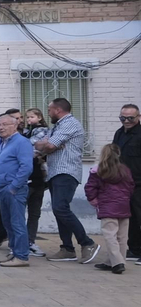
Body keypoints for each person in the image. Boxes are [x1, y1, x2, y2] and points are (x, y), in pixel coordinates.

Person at [35, 98, 96, 262]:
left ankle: (87, 243)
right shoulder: (58, 126)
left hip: (66, 172)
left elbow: (49, 146)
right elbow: (40, 145)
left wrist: (48, 145)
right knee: (58, 209)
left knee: (60, 208)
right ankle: (67, 248)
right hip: (55, 172)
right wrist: (46, 145)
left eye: (49, 110)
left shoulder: (70, 123)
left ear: (58, 110)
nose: (47, 113)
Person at [0, 112, 34, 268]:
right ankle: (15, 252)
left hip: (13, 190)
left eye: (4, 125)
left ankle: (22, 256)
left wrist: (14, 187)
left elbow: (26, 167)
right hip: (2, 189)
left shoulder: (21, 142)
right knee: (8, 224)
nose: (1, 128)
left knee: (17, 223)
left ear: (15, 125)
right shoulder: (5, 142)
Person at [84, 144, 133, 274]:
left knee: (110, 235)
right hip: (124, 206)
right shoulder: (125, 170)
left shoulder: (99, 170)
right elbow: (131, 187)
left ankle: (117, 263)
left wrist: (94, 201)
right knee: (122, 237)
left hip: (107, 206)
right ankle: (113, 261)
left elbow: (90, 188)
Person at [111, 104, 141, 258]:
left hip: (139, 183)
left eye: (130, 118)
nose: (126, 121)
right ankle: (135, 249)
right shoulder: (119, 133)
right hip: (123, 183)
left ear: (138, 117)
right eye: (123, 118)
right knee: (130, 217)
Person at [22, 108, 50, 255]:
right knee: (20, 212)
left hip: (38, 178)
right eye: (27, 117)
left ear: (39, 117)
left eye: (31, 117)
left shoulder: (42, 131)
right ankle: (20, 242)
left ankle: (30, 241)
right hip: (27, 179)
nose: (28, 120)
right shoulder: (26, 131)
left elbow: (37, 148)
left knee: (34, 213)